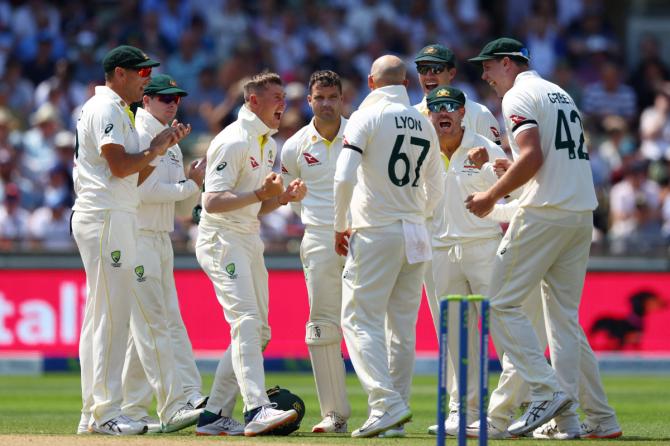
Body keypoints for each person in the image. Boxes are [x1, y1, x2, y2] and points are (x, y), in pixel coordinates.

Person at [464, 37, 605, 437]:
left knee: (502, 303)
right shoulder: (558, 92)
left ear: (508, 63)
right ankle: (585, 419)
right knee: (563, 321)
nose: (486, 75)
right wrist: (511, 166)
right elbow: (551, 156)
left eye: (488, 66)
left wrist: (491, 196)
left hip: (544, 213)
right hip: (579, 214)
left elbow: (533, 156)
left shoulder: (518, 96)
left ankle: (545, 391)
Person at [72, 45, 199, 435]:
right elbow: (118, 165)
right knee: (111, 318)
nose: (146, 77)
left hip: (113, 211)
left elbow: (133, 176)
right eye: (141, 72)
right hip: (108, 215)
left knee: (101, 317)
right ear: (120, 73)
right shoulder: (108, 109)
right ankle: (105, 413)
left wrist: (157, 153)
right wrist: (155, 148)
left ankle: (93, 411)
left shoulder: (120, 112)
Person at [333, 55, 444, 438]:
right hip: (415, 231)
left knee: (358, 319)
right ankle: (394, 412)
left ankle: (386, 404)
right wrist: (416, 214)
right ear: (407, 83)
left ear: (371, 81)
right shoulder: (424, 123)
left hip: (376, 229)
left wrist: (339, 224)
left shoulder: (367, 115)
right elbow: (437, 187)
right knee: (402, 327)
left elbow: (344, 176)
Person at [195, 71, 306, 437]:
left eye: (284, 98)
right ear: (252, 101)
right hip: (221, 239)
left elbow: (254, 209)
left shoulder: (267, 144)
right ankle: (257, 408)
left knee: (258, 331)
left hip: (247, 236)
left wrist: (281, 198)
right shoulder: (233, 140)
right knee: (245, 322)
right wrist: (261, 195)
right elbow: (211, 201)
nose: (283, 105)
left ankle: (213, 416)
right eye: (275, 98)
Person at [120, 74, 208, 433]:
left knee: (155, 325)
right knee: (155, 323)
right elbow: (143, 193)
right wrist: (190, 183)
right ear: (146, 101)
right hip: (137, 238)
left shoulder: (169, 140)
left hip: (160, 239)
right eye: (163, 98)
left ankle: (131, 411)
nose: (171, 104)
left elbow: (181, 207)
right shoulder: (142, 136)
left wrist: (194, 187)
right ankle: (176, 404)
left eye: (176, 99)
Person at [420, 86, 507, 436]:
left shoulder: (484, 148)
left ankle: (526, 404)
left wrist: (493, 168)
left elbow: (516, 186)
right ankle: (464, 410)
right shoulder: (421, 152)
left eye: (450, 107)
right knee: (456, 337)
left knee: (505, 328)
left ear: (461, 114)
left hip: (484, 246)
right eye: (436, 107)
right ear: (428, 115)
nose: (443, 112)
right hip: (441, 251)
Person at [280, 70, 351, 433]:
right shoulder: (294, 146)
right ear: (309, 101)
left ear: (342, 99)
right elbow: (290, 197)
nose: (326, 103)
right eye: (319, 97)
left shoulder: (360, 134)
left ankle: (386, 410)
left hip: (362, 236)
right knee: (322, 326)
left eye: (332, 97)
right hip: (320, 236)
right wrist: (314, 217)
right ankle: (334, 414)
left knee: (371, 323)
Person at [413, 44, 501, 144]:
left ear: (451, 73)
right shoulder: (411, 116)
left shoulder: (479, 114)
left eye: (436, 69)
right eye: (422, 69)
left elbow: (496, 157)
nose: (429, 76)